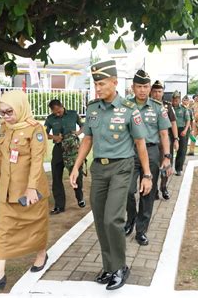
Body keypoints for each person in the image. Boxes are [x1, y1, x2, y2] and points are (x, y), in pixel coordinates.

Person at [69, 60, 152, 291]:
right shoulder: (93, 108)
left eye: (102, 83)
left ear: (115, 82)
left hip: (121, 168)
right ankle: (109, 266)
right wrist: (77, 166)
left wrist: (147, 175)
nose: (98, 88)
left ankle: (120, 267)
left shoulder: (128, 109)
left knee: (112, 219)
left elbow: (140, 143)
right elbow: (87, 139)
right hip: (99, 169)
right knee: (100, 220)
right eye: (96, 83)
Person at [0, 90, 50, 291]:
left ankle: (41, 254)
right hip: (7, 191)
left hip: (30, 192)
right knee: (3, 230)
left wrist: (31, 188)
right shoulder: (5, 128)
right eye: (2, 113)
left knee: (35, 225)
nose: (5, 116)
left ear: (20, 106)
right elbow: (0, 157)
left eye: (9, 111)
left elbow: (37, 161)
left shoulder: (35, 129)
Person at [125, 70, 172, 246]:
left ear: (150, 88)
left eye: (146, 86)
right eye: (139, 86)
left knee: (148, 192)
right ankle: (130, 218)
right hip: (129, 152)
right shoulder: (125, 105)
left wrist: (166, 157)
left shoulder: (158, 107)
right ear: (133, 87)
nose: (143, 90)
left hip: (152, 152)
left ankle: (141, 230)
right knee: (128, 190)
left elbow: (164, 134)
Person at [45, 99, 85, 215]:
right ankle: (59, 205)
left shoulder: (73, 114)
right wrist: (54, 137)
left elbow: (83, 126)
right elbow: (44, 133)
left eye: (59, 111)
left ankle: (80, 198)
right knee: (56, 177)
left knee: (77, 175)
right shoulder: (50, 118)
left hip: (72, 149)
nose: (58, 114)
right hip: (58, 149)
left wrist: (77, 133)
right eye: (55, 112)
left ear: (62, 106)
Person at [150, 80, 178, 200]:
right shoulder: (147, 104)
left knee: (166, 165)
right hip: (152, 140)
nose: (157, 94)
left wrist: (176, 138)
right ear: (151, 92)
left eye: (159, 91)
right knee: (153, 166)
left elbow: (173, 122)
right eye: (155, 91)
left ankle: (164, 187)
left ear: (163, 92)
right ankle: (154, 189)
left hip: (165, 141)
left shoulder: (167, 106)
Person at [172, 91, 191, 176]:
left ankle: (178, 169)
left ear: (179, 100)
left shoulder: (184, 109)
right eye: (174, 99)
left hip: (182, 129)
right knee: (168, 149)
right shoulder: (169, 108)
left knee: (182, 150)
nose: (175, 101)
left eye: (177, 99)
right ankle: (167, 167)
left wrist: (185, 130)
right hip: (171, 129)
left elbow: (188, 120)